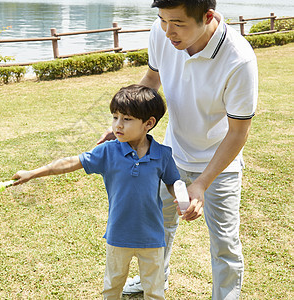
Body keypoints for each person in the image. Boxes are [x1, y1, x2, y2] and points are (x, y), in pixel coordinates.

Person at [100, 1, 258, 299]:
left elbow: (238, 132)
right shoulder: (161, 34)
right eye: (162, 20)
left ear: (207, 17)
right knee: (157, 226)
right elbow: (151, 80)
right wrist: (125, 122)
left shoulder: (239, 59)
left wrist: (201, 183)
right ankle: (155, 281)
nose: (168, 31)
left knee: (224, 240)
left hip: (219, 163)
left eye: (178, 23)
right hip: (169, 155)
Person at [12, 85, 180, 299]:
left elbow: (173, 182)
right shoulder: (108, 151)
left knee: (155, 291)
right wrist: (33, 173)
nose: (117, 125)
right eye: (115, 117)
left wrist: (180, 197)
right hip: (118, 234)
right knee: (112, 288)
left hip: (152, 236)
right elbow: (72, 162)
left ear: (149, 123)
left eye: (126, 119)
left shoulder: (163, 154)